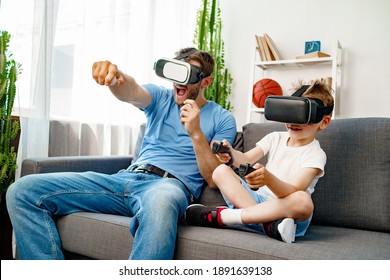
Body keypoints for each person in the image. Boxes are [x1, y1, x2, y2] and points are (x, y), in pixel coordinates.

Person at [6, 47, 237, 259]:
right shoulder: (161, 97)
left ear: (206, 81)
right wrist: (116, 78)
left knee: (160, 203)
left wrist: (196, 133)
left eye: (188, 74)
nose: (178, 81)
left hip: (169, 187)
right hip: (124, 179)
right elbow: (131, 90)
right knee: (22, 191)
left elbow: (214, 178)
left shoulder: (223, 118)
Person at [185, 80, 333, 243]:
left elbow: (295, 190)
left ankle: (228, 217)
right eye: (290, 112)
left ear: (324, 122)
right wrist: (231, 154)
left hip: (285, 211)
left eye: (302, 115)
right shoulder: (275, 137)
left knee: (303, 201)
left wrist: (268, 179)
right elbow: (247, 158)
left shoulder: (315, 154)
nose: (293, 121)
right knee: (220, 171)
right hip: (256, 201)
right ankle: (268, 226)